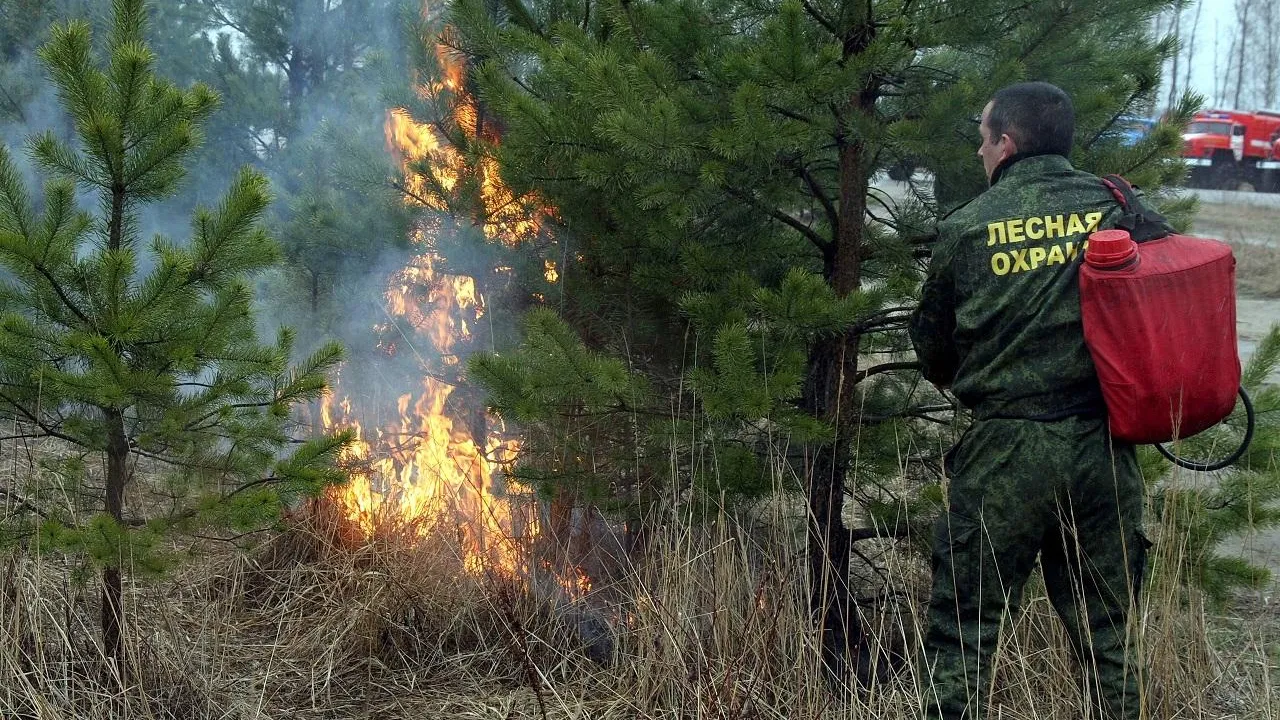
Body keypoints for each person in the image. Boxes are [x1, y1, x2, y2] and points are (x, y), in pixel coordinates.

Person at [909, 82, 1149, 720]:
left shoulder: (966, 228)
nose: (979, 153)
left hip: (1007, 451)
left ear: (1006, 144)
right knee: (1108, 634)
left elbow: (931, 348)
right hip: (1104, 449)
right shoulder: (1116, 207)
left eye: (983, 140)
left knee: (966, 628)